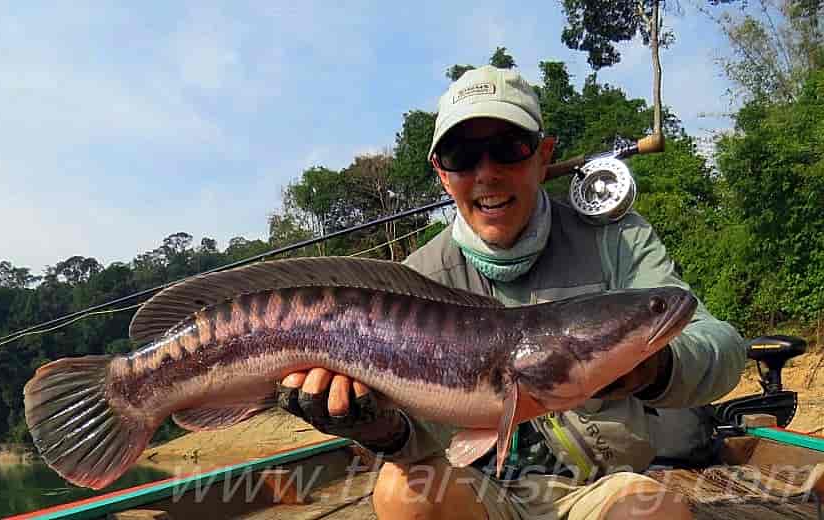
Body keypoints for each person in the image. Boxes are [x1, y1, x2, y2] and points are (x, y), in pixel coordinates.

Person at [278, 65, 747, 520]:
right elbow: (423, 440)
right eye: (462, 156)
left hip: (603, 487)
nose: (487, 173)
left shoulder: (616, 239)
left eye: (509, 148)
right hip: (478, 493)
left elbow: (720, 346)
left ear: (543, 155)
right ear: (442, 172)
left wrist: (655, 369)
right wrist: (382, 430)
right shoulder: (412, 281)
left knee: (654, 512)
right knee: (402, 491)